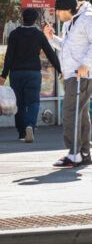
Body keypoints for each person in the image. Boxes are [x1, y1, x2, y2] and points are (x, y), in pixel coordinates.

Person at [45, 0, 92, 168]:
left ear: (68, 9)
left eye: (59, 11)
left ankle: (74, 153)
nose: (57, 14)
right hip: (74, 74)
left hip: (83, 74)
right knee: (81, 113)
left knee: (70, 111)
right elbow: (66, 47)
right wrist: (52, 38)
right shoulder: (70, 23)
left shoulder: (89, 19)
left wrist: (85, 65)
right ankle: (84, 153)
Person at [0, 8, 62, 143]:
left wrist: (3, 75)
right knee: (33, 102)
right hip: (33, 73)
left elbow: (9, 56)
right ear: (35, 20)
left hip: (16, 74)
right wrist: (60, 70)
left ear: (23, 18)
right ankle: (30, 125)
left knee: (19, 103)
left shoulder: (14, 34)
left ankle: (22, 132)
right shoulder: (39, 35)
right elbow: (51, 54)